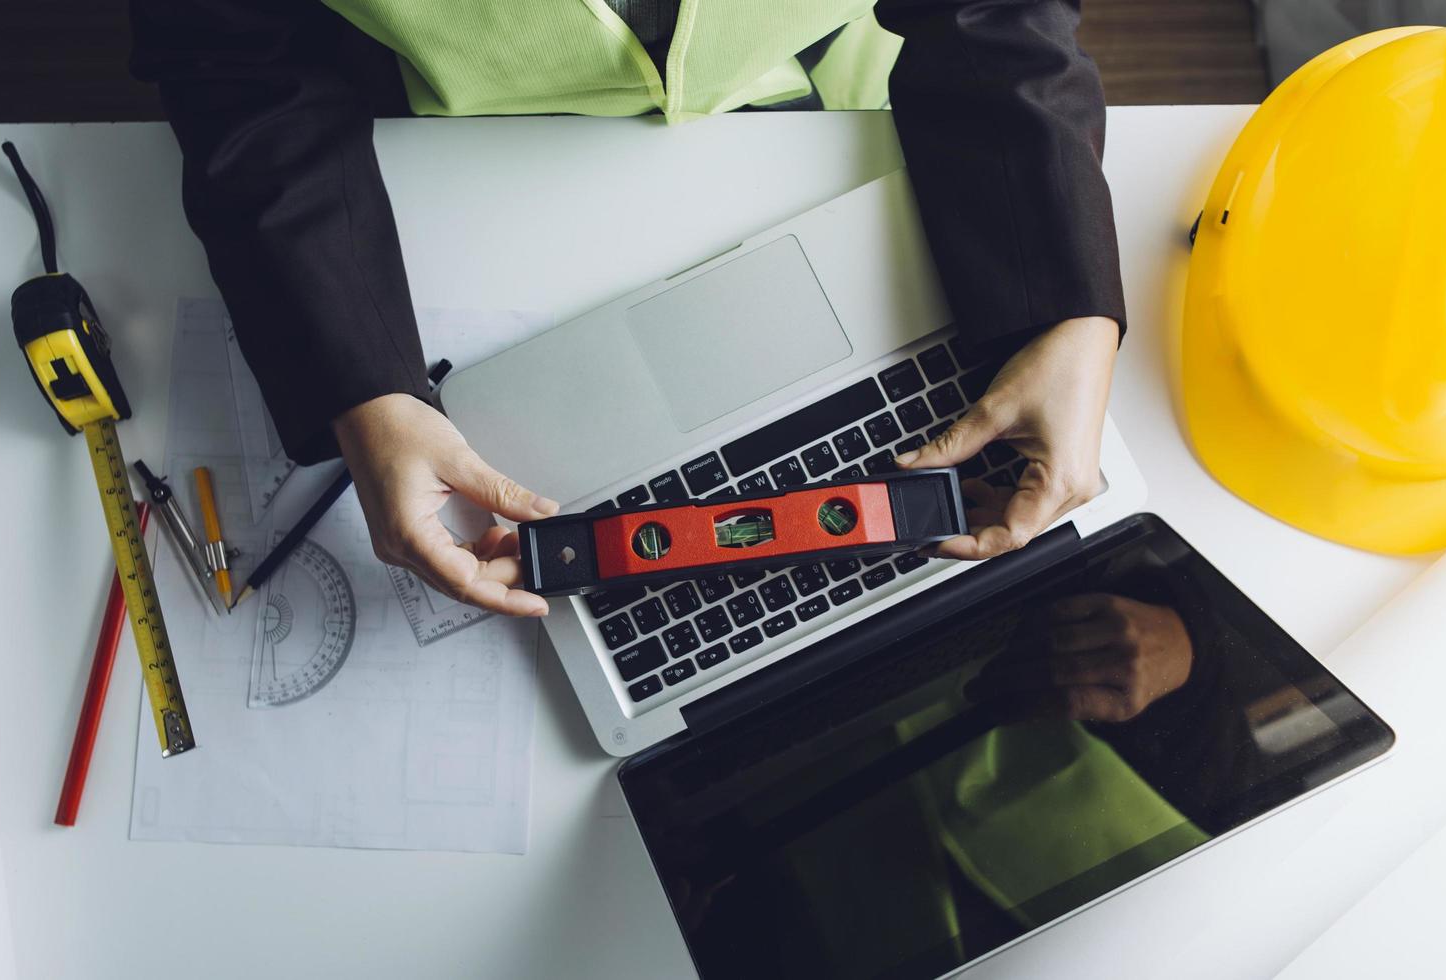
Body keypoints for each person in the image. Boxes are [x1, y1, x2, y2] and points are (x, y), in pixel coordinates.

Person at [130, 0, 1127, 618]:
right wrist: (359, 379)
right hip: (467, 145)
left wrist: (1062, 302)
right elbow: (235, 69)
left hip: (833, 109)